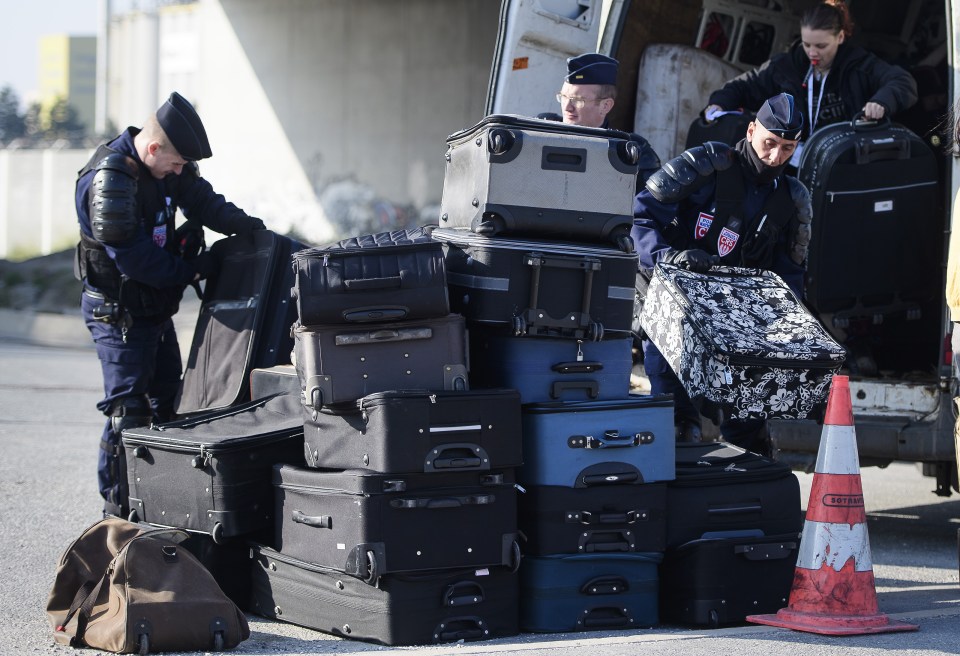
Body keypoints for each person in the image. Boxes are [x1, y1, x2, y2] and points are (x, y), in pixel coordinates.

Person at [74, 91, 266, 517]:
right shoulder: (110, 180)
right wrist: (193, 270)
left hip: (154, 310)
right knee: (130, 412)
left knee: (167, 407)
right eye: (176, 163)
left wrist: (245, 225)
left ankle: (159, 502)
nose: (179, 172)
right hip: (118, 314)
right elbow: (137, 259)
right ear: (154, 146)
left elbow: (200, 199)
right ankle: (118, 512)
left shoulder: (163, 168)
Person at [632, 93, 812, 453]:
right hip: (674, 307)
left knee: (749, 434)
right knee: (676, 426)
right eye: (769, 143)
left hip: (736, 323)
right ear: (750, 130)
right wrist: (671, 256)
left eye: (788, 148)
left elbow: (789, 277)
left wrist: (793, 331)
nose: (776, 156)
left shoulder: (791, 198)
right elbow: (639, 217)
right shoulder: (706, 165)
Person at [702, 0, 917, 159]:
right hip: (791, 159)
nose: (812, 52)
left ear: (840, 37)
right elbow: (744, 85)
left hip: (841, 160)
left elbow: (902, 81)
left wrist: (881, 101)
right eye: (807, 45)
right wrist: (719, 102)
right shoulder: (786, 66)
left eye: (821, 46)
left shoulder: (859, 65)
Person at [541, 52, 661, 187]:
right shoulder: (540, 131)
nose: (567, 107)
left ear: (605, 106)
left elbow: (648, 203)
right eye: (563, 97)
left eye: (578, 100)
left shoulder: (631, 152)